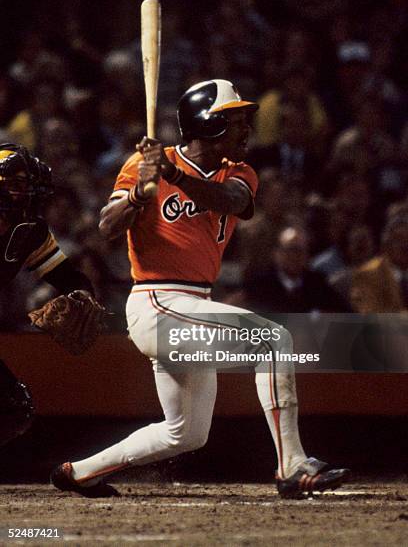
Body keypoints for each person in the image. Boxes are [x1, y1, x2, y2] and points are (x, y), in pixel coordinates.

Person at [51, 79, 350, 499]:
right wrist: (140, 191)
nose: (246, 130)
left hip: (191, 305)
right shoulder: (144, 164)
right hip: (156, 302)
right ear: (206, 125)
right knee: (271, 339)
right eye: (234, 121)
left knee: (185, 433)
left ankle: (78, 472)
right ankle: (292, 464)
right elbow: (107, 226)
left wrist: (172, 175)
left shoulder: (238, 171)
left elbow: (230, 201)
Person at [0, 143, 95, 446]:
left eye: (27, 186)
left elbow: (65, 276)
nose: (24, 193)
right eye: (15, 185)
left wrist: (82, 295)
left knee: (13, 409)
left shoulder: (30, 231)